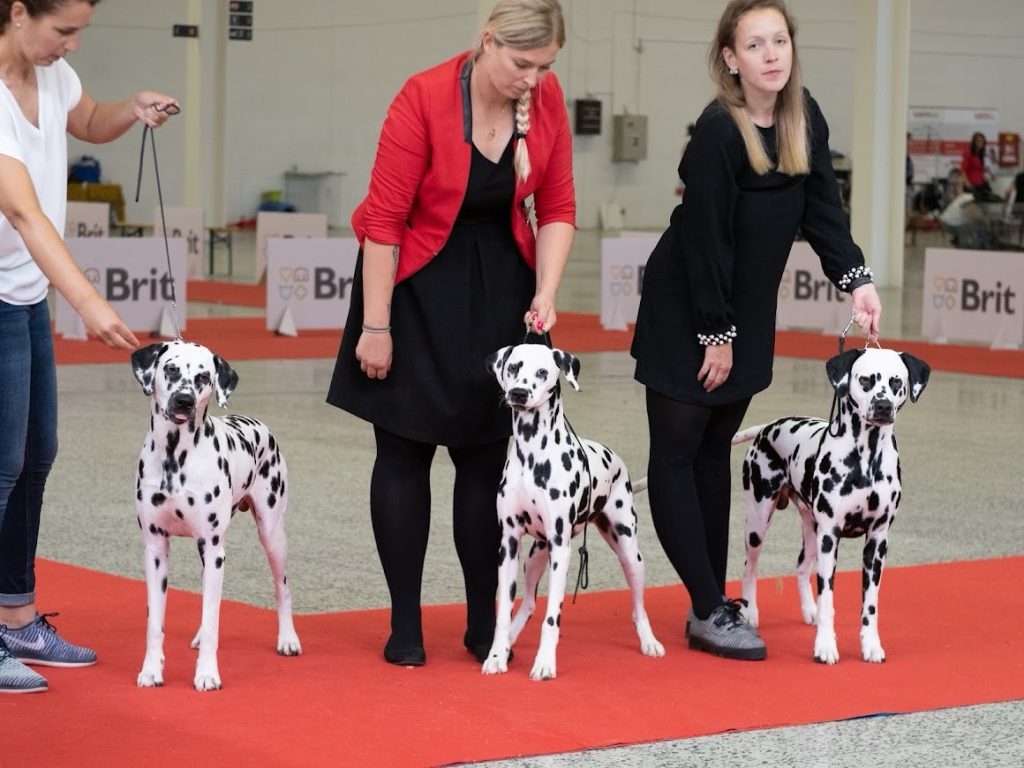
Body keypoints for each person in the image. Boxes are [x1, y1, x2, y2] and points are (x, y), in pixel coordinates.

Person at [630, 0, 882, 661]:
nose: (771, 54)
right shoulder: (720, 131)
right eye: (755, 44)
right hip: (690, 305)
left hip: (745, 309)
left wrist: (856, 278)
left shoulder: (804, 117)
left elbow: (823, 210)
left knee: (715, 447)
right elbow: (706, 239)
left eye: (780, 41)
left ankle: (708, 605)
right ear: (730, 59)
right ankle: (709, 605)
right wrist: (715, 333)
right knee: (678, 451)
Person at [326, 0, 573, 667]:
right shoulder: (424, 96)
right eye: (522, 64)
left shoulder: (546, 102)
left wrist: (546, 291)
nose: (533, 79)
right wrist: (376, 325)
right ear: (488, 42)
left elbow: (557, 207)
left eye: (546, 66)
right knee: (403, 454)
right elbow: (384, 221)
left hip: (502, 289)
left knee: (487, 460)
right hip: (412, 284)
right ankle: (404, 624)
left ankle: (483, 621)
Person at [0, 0, 177, 693]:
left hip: (23, 293)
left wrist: (130, 109)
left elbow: (90, 119)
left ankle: (16, 617)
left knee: (35, 456)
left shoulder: (52, 76)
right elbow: (22, 211)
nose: (72, 45)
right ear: (18, 12)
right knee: (1, 465)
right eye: (64, 31)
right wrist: (89, 303)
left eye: (81, 31)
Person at [961, 131, 996, 200]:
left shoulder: (980, 155)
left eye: (982, 141)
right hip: (972, 183)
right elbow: (963, 170)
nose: (980, 143)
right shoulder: (968, 153)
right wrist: (967, 182)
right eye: (978, 141)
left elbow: (981, 168)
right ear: (974, 142)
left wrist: (991, 173)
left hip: (981, 182)